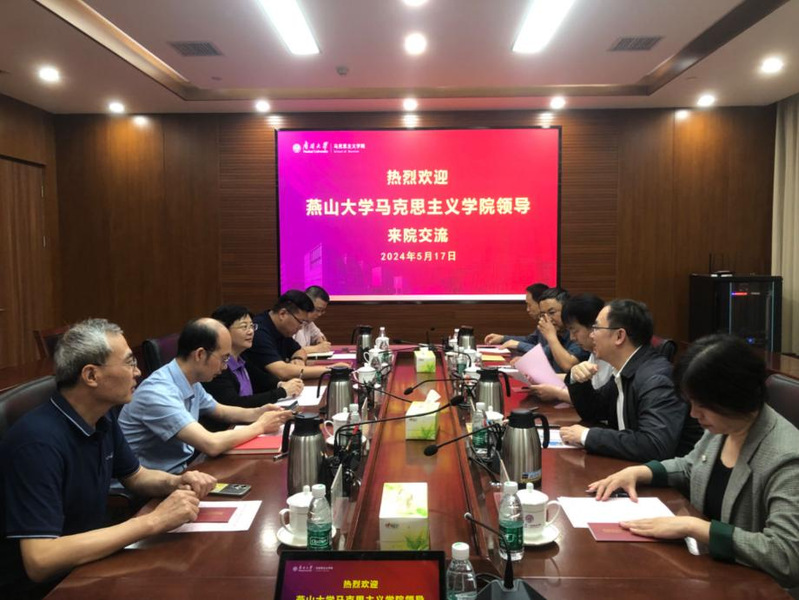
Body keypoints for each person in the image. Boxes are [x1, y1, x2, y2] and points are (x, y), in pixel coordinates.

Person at [0, 319, 216, 598]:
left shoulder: (101, 417)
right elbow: (40, 561)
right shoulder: (37, 443)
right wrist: (153, 521)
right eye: (129, 363)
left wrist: (176, 482)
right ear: (91, 375)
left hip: (91, 561)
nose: (138, 372)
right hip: (47, 587)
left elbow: (136, 476)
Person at [588, 335, 799, 589]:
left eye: (702, 405)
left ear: (735, 397)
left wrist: (695, 527)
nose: (693, 414)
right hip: (711, 573)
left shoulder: (787, 458)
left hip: (755, 589)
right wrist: (640, 472)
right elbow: (692, 467)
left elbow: (786, 555)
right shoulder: (726, 424)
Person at [119, 318, 293, 474]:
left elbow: (221, 411)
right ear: (200, 354)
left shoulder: (190, 379)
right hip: (146, 488)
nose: (225, 367)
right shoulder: (158, 392)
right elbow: (211, 444)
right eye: (224, 359)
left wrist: (258, 412)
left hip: (180, 471)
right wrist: (261, 426)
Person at [561, 299, 702, 461]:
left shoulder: (656, 379)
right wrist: (577, 379)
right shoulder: (627, 370)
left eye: (597, 328)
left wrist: (587, 435)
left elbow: (655, 445)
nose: (592, 335)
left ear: (619, 336)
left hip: (666, 475)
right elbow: (593, 411)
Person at [201, 305, 304, 431]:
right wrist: (281, 392)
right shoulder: (216, 367)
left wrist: (281, 384)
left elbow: (261, 379)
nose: (250, 331)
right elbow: (233, 403)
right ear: (223, 331)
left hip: (245, 423)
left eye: (251, 326)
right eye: (244, 327)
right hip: (229, 429)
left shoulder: (242, 357)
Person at [247, 290, 348, 381]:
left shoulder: (281, 328)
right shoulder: (259, 332)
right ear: (282, 314)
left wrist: (298, 358)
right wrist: (330, 369)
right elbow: (282, 371)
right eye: (300, 322)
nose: (301, 327)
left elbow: (299, 350)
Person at [529, 293, 612, 402]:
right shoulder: (595, 353)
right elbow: (576, 377)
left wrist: (557, 393)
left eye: (575, 331)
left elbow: (601, 402)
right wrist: (540, 377)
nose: (572, 337)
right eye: (543, 314)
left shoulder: (611, 356)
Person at [516, 287, 589, 373]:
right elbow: (544, 354)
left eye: (552, 313)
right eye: (543, 314)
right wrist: (525, 361)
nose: (548, 319)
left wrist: (551, 336)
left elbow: (569, 366)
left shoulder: (577, 333)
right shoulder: (555, 332)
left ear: (566, 310)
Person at [483, 282, 547, 352]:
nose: (527, 309)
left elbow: (546, 352)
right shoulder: (543, 322)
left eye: (529, 305)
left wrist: (518, 344)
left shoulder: (553, 323)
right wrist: (502, 338)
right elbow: (531, 340)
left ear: (541, 304)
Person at [293, 286, 332, 355]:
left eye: (322, 311)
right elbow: (290, 350)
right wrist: (317, 348)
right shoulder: (291, 320)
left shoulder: (309, 322)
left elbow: (319, 337)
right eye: (318, 310)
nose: (319, 314)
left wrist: (320, 341)